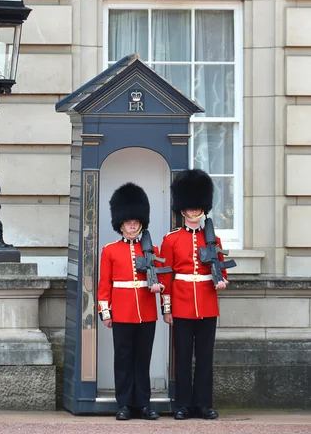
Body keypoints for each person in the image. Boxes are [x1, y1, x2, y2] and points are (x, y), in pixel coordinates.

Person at [159, 169, 228, 421]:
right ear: (182, 210)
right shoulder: (171, 240)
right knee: (183, 358)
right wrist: (167, 309)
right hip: (182, 304)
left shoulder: (213, 238)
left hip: (207, 304)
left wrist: (222, 280)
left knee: (205, 358)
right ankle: (182, 405)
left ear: (202, 209)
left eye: (197, 208)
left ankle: (202, 404)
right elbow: (165, 276)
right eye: (189, 208)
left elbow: (220, 267)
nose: (192, 212)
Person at [97, 182, 163, 421]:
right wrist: (105, 312)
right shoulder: (110, 250)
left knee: (142, 359)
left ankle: (143, 404)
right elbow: (105, 284)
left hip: (146, 311)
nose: (132, 225)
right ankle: (124, 404)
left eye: (136, 221)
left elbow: (163, 278)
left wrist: (160, 288)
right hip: (122, 312)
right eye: (128, 222)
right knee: (123, 359)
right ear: (121, 224)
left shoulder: (152, 249)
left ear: (141, 222)